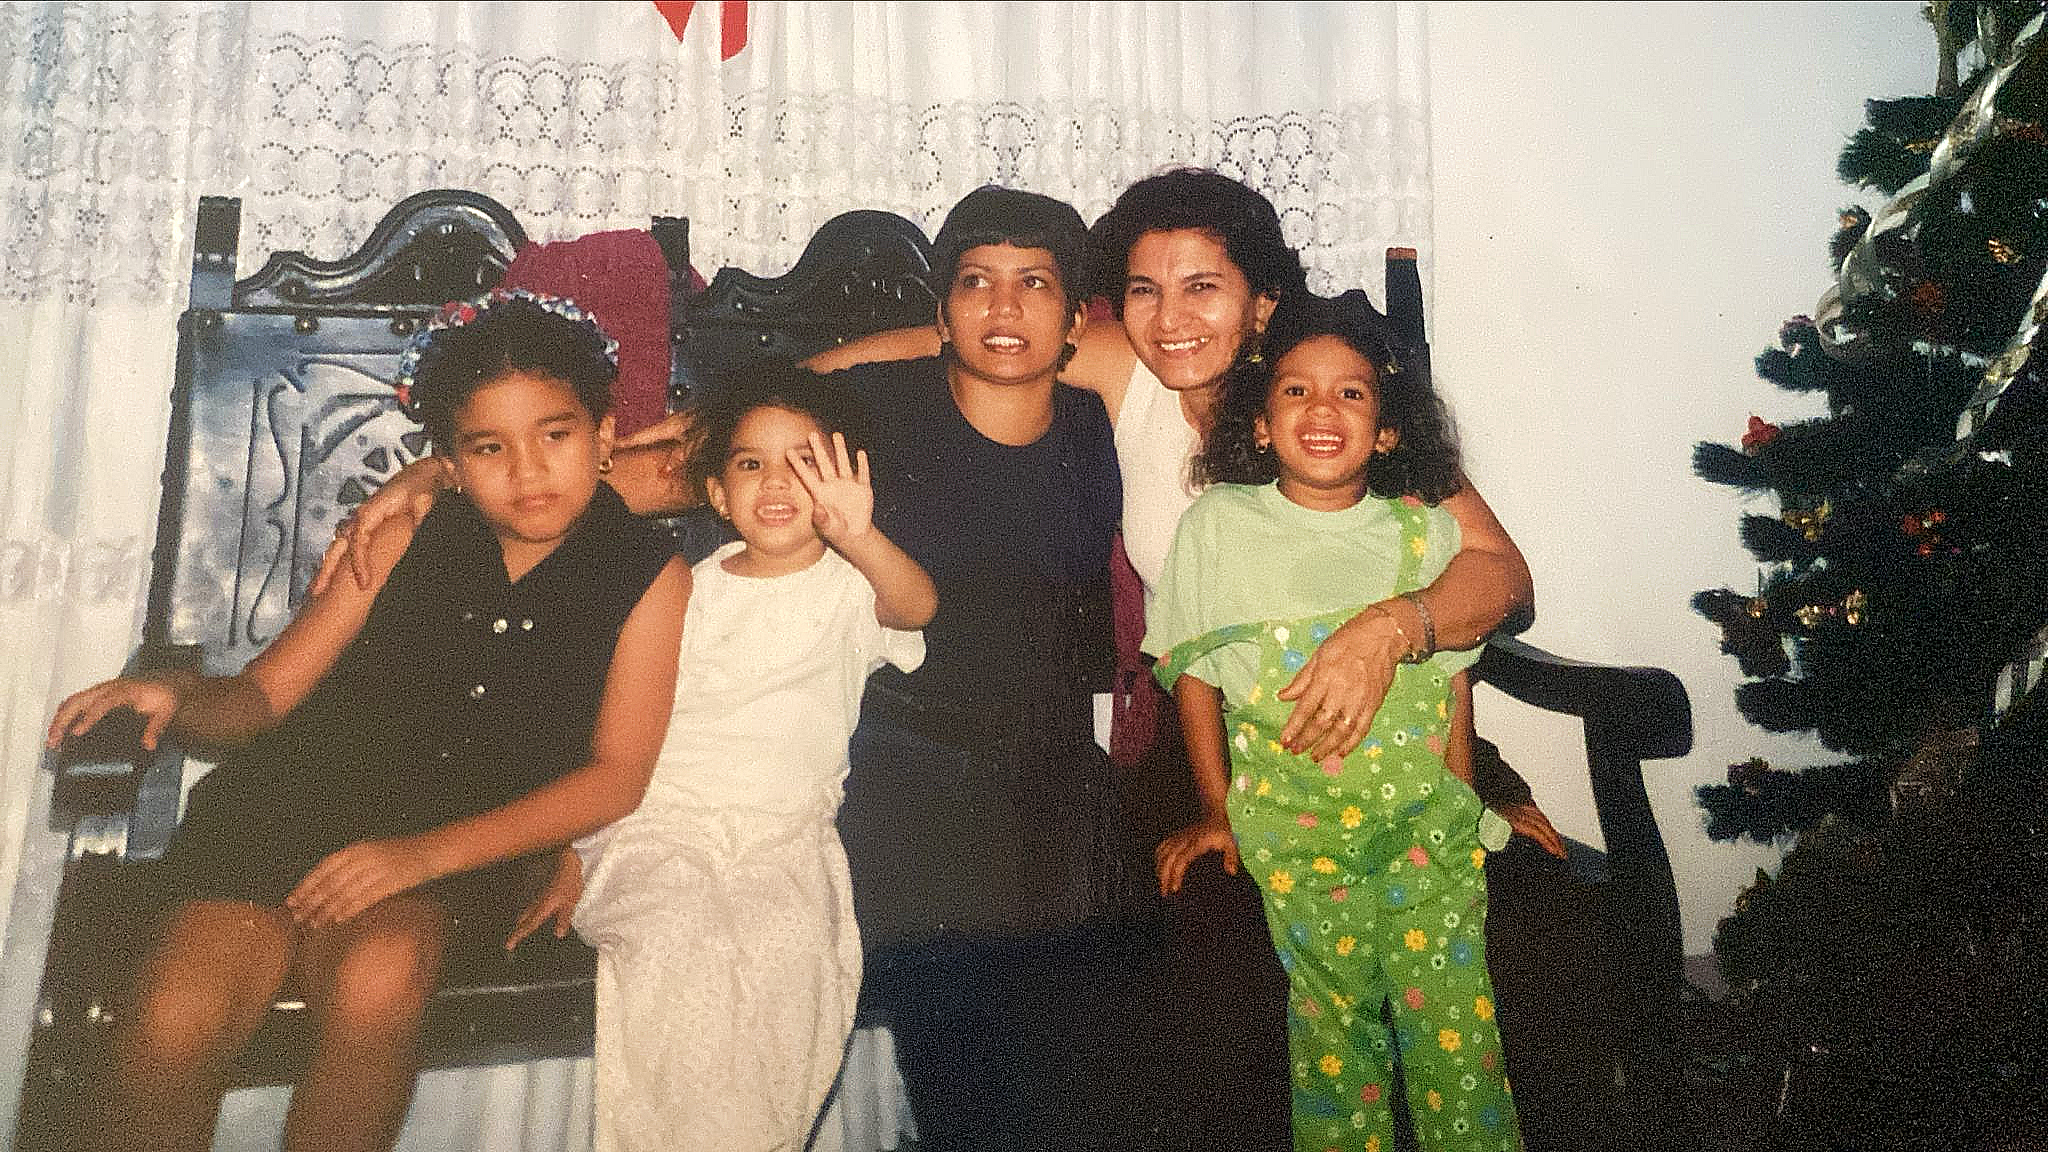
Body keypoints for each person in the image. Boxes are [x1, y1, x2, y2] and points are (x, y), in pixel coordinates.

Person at [45, 290, 691, 1152]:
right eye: (488, 447)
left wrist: (418, 856)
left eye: (556, 434)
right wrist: (179, 695)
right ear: (450, 465)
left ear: (606, 434)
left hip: (459, 851)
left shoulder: (647, 572)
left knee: (379, 980)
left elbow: (617, 774)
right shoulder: (399, 537)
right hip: (293, 814)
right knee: (175, 1010)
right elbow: (266, 695)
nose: (528, 470)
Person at [507, 367, 935, 1152]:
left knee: (790, 964)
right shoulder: (685, 589)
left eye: (803, 463)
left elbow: (917, 606)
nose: (776, 483)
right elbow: (600, 721)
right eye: (750, 464)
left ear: (840, 480)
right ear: (714, 493)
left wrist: (860, 534)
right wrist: (564, 844)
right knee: (681, 951)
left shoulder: (852, 588)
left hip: (783, 838)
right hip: (655, 824)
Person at [1146, 292, 1520, 1151]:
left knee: (1459, 1036)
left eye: (1352, 395)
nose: (1323, 411)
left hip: (1428, 830)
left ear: (1387, 433)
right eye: (1295, 393)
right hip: (1298, 831)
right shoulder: (1217, 527)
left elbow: (1452, 683)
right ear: (1261, 425)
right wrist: (1215, 810)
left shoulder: (1424, 537)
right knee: (1332, 1032)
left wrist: (1470, 799)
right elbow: (1193, 676)